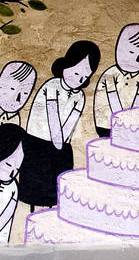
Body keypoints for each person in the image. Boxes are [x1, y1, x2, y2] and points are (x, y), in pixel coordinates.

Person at [19, 40, 101, 209]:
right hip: (38, 143)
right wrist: (58, 144)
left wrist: (61, 147)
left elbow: (70, 123)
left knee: (54, 192)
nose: (79, 79)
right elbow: (52, 116)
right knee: (33, 190)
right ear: (68, 64)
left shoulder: (80, 96)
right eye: (77, 72)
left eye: (85, 76)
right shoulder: (52, 86)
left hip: (60, 145)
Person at [94, 23, 139, 137]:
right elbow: (113, 98)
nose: (137, 59)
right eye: (131, 53)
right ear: (120, 49)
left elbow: (138, 101)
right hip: (106, 124)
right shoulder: (110, 74)